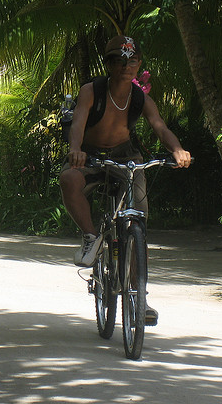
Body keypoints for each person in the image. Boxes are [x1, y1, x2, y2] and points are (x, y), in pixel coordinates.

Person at [59, 35, 192, 324]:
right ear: (108, 63)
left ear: (139, 64)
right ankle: (92, 238)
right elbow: (79, 122)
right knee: (69, 179)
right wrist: (76, 151)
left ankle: (138, 296)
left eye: (132, 60)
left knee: (137, 225)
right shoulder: (91, 91)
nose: (126, 65)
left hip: (126, 158)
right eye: (119, 59)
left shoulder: (140, 97)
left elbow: (160, 126)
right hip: (92, 156)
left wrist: (178, 149)